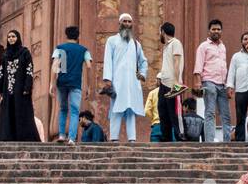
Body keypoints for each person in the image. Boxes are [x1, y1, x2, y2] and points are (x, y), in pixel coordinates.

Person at [102, 13, 149, 143]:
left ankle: (132, 139)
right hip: (117, 82)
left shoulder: (136, 44)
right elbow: (108, 61)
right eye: (125, 21)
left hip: (132, 83)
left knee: (131, 110)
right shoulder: (112, 41)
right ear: (120, 23)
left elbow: (143, 61)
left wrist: (142, 74)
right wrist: (108, 80)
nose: (127, 24)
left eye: (129, 22)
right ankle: (114, 138)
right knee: (116, 109)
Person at [0, 30, 40, 141]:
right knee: (8, 113)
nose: (11, 39)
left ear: (18, 38)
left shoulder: (24, 53)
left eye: (13, 36)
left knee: (22, 113)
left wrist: (27, 87)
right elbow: (1, 73)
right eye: (9, 37)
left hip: (21, 90)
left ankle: (24, 137)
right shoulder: (5, 55)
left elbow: (29, 70)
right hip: (8, 90)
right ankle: (9, 138)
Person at [51, 25, 92, 144]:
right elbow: (89, 66)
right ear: (78, 36)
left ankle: (62, 135)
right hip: (75, 83)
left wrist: (51, 84)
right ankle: (72, 138)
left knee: (63, 109)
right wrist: (88, 86)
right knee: (74, 111)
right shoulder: (83, 50)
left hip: (62, 82)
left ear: (66, 35)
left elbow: (55, 65)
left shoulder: (61, 48)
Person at [194, 18, 232, 144]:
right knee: (210, 113)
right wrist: (198, 83)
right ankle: (209, 142)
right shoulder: (203, 46)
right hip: (208, 81)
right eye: (213, 29)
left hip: (222, 84)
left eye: (218, 29)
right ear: (209, 31)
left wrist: (228, 85)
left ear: (221, 31)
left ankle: (227, 142)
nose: (216, 31)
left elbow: (224, 66)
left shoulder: (223, 46)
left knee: (226, 115)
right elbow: (198, 65)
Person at [157, 21, 185, 143]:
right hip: (164, 83)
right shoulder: (166, 46)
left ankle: (180, 135)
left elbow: (177, 62)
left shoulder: (176, 43)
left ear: (163, 32)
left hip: (173, 84)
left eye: (160, 32)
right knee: (162, 110)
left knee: (175, 112)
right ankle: (166, 137)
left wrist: (177, 82)